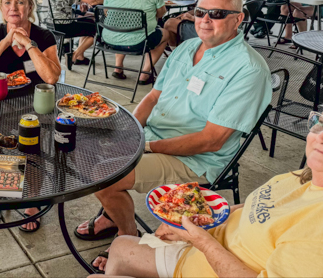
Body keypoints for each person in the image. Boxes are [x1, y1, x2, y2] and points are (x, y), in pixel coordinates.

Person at [74, 0, 271, 266]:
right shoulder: (188, 47)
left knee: (104, 175)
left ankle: (127, 235)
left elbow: (210, 141)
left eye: (217, 14)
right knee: (83, 146)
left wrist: (145, 146)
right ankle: (111, 212)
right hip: (152, 136)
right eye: (200, 12)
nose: (205, 19)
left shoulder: (248, 69)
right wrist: (129, 131)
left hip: (196, 158)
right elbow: (153, 96)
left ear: (238, 19)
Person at [91, 112, 323, 277]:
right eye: (320, 123)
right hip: (200, 251)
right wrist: (196, 224)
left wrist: (200, 240)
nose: (321, 137)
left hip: (208, 260)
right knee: (121, 246)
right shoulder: (299, 176)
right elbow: (254, 209)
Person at [0, 0, 60, 232]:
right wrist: (7, 41)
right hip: (2, 102)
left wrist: (29, 44)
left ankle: (31, 201)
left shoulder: (43, 35)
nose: (14, 8)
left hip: (36, 104)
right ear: (1, 6)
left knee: (33, 149)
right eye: (8, 2)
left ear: (30, 6)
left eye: (20, 2)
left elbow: (51, 77)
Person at [102, 0, 169, 84]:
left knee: (121, 25)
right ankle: (144, 74)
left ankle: (118, 67)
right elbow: (161, 13)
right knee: (165, 34)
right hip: (139, 42)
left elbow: (106, 12)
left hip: (109, 39)